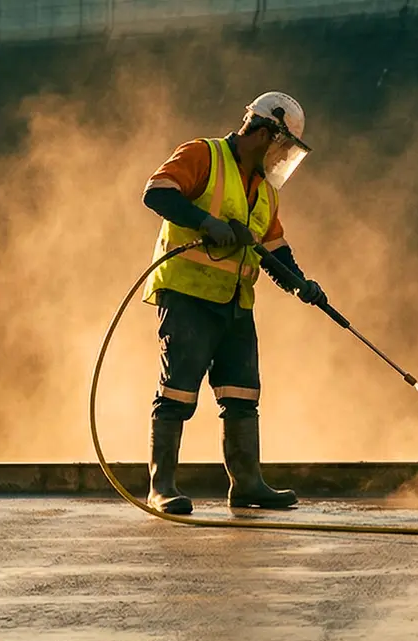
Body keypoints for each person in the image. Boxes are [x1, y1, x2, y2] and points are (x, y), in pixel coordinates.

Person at [139, 91, 329, 513]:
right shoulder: (203, 155)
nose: (282, 158)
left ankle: (247, 483)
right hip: (188, 295)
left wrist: (301, 284)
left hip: (235, 303)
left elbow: (274, 249)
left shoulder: (265, 191)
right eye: (282, 147)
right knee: (177, 393)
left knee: (242, 394)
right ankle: (161, 487)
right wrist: (207, 223)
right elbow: (157, 193)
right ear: (263, 133)